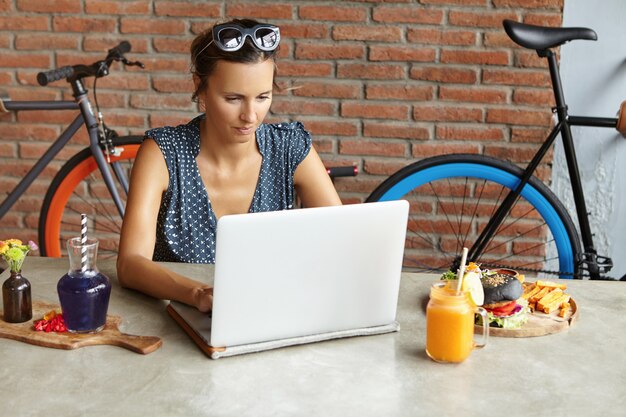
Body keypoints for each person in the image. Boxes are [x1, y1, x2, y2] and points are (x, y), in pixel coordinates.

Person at [117, 19, 342, 312]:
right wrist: (197, 294)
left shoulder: (290, 148)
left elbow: (342, 242)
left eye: (263, 97)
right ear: (201, 88)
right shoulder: (163, 153)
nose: (251, 116)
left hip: (275, 314)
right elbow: (130, 264)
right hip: (183, 322)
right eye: (233, 98)